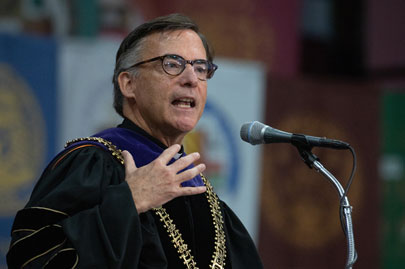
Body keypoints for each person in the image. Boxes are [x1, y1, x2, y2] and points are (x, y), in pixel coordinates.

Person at [7, 13, 263, 268]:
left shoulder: (206, 198)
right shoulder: (92, 163)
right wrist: (128, 201)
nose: (191, 79)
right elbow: (32, 259)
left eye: (200, 68)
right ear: (129, 84)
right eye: (172, 64)